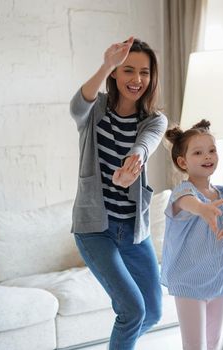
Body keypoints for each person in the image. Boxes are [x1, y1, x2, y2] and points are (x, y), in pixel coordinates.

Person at [69, 37, 167, 350]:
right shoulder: (94, 111)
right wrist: (106, 63)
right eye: (128, 70)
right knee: (132, 310)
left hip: (134, 230)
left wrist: (134, 159)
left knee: (151, 312)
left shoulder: (154, 119)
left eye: (145, 72)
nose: (137, 80)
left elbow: (147, 142)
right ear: (115, 74)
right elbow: (76, 106)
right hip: (96, 230)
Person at [160, 119, 223, 350]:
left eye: (212, 151)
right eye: (198, 153)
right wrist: (203, 208)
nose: (207, 156)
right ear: (183, 162)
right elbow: (189, 204)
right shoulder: (183, 192)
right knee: (194, 344)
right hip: (188, 279)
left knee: (214, 341)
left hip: (217, 277)